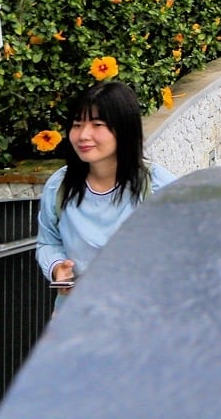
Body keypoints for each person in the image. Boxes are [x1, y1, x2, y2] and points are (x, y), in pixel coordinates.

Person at [36, 82, 176, 297]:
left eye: (97, 124)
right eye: (77, 124)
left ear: (124, 130)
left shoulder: (158, 186)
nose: (83, 135)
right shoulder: (59, 186)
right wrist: (56, 267)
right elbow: (48, 241)